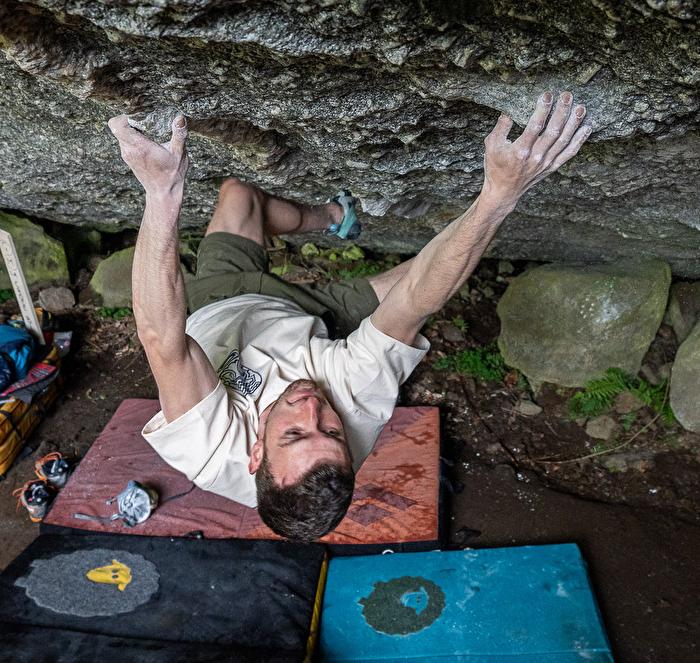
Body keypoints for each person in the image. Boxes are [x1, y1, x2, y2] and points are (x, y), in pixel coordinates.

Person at [109, 91, 591, 540]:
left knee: (239, 195)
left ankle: (332, 216)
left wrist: (162, 193)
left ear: (256, 453)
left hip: (217, 304)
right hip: (311, 318)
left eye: (294, 432)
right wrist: (498, 197)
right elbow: (416, 302)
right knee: (428, 267)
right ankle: (348, 217)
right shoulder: (359, 407)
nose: (313, 407)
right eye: (332, 432)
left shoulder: (209, 448)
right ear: (349, 448)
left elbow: (162, 337)